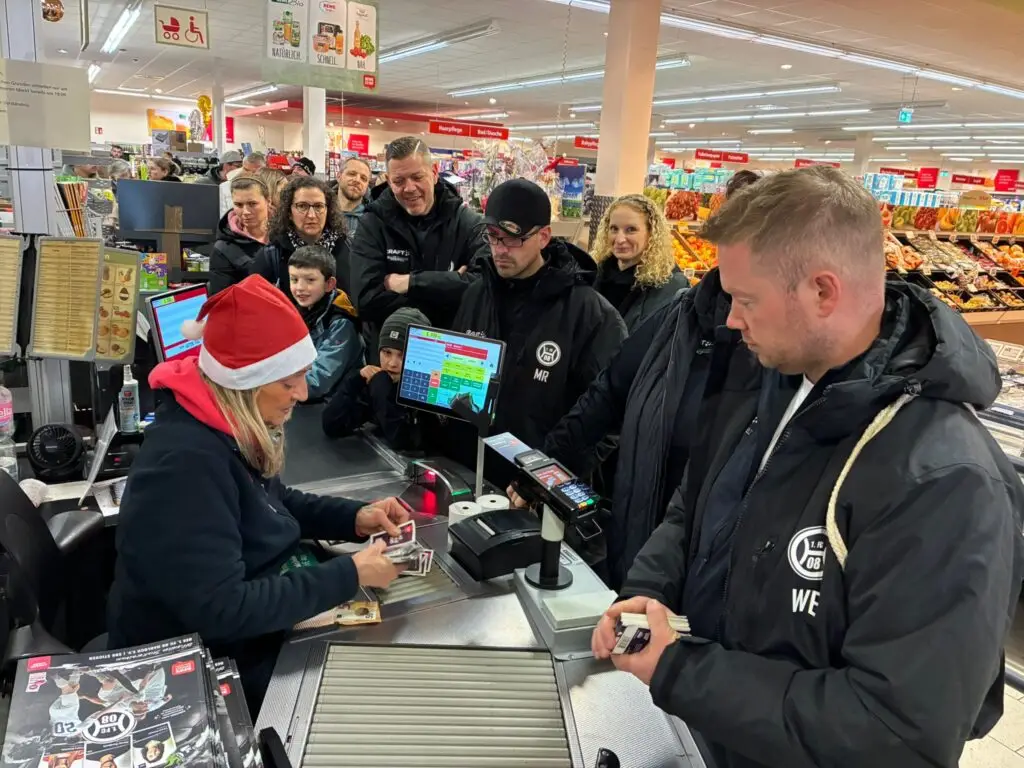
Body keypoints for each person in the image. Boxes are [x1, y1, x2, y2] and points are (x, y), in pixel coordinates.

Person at [592, 166, 1024, 768]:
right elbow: (699, 502)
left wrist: (682, 670)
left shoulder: (945, 480)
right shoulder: (777, 376)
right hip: (721, 733)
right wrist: (649, 588)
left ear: (823, 292)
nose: (731, 319)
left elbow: (897, 735)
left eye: (746, 299)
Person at [108, 276, 409, 714]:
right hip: (194, 672)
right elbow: (223, 609)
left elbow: (272, 503)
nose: (302, 394)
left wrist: (353, 517)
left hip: (238, 636)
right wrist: (349, 574)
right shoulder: (185, 465)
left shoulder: (220, 425)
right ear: (245, 383)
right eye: (289, 382)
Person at [539, 170, 764, 589]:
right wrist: (542, 468)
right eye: (731, 230)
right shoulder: (681, 316)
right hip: (644, 544)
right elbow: (606, 394)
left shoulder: (794, 358)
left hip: (724, 577)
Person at [448, 178, 626, 487]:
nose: (500, 250)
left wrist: (550, 477)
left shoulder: (590, 314)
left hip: (542, 488)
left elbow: (608, 414)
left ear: (543, 237)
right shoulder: (477, 294)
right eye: (493, 237)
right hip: (472, 474)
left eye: (513, 239)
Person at [350, 136, 489, 349]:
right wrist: (450, 286)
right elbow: (365, 301)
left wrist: (410, 283)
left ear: (434, 172)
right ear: (389, 181)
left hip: (450, 352)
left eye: (417, 177)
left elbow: (484, 288)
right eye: (399, 181)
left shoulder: (468, 223)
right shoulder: (372, 224)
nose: (409, 188)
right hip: (390, 355)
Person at [322, 307, 429, 450]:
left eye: (403, 355)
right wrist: (354, 382)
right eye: (387, 353)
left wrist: (382, 392)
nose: (392, 363)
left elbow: (406, 443)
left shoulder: (430, 394)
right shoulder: (380, 381)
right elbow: (332, 426)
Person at [591, 193, 688, 332]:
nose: (620, 239)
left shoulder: (670, 287)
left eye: (631, 230)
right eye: (614, 229)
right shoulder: (595, 273)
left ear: (651, 233)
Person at [249, 176, 352, 304]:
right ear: (289, 212)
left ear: (328, 210)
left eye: (318, 206)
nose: (311, 215)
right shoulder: (272, 255)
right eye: (302, 206)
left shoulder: (348, 248)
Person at [289, 245, 362, 401]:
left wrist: (275, 384)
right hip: (300, 395)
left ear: (329, 284)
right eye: (294, 279)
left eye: (310, 280)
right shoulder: (296, 313)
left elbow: (318, 381)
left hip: (332, 404)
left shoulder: (341, 324)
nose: (300, 288)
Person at [209, 175, 270, 295]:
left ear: (268, 201)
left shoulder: (285, 235)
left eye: (252, 204)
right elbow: (222, 299)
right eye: (239, 205)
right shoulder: (223, 249)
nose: (246, 212)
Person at [220, 152, 267, 216]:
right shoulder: (225, 187)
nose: (249, 174)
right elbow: (222, 215)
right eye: (246, 170)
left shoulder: (266, 187)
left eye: (254, 172)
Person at [337, 157, 371, 239]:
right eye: (352, 174)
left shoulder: (372, 221)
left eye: (363, 178)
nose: (357, 180)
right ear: (339, 176)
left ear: (367, 186)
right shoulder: (321, 213)